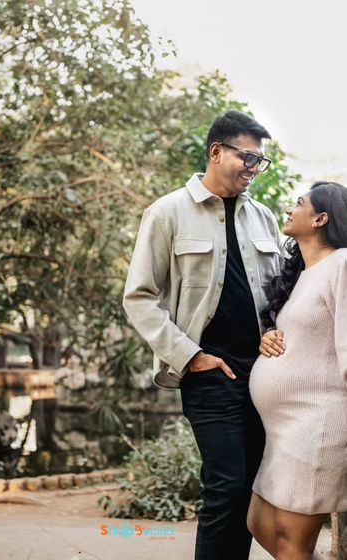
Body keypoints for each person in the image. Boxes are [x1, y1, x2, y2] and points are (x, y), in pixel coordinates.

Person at [123, 110, 283, 560]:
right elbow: (139, 297)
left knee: (249, 490)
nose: (254, 169)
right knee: (226, 487)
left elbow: (277, 296)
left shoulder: (265, 219)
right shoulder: (167, 212)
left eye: (260, 162)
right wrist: (191, 357)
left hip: (263, 375)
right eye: (248, 158)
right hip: (208, 371)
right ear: (217, 152)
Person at [248, 181, 347, 560]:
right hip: (283, 430)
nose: (290, 209)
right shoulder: (305, 273)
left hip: (318, 425)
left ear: (321, 218)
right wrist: (268, 340)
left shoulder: (341, 264)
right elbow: (305, 339)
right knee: (257, 522)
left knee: (293, 542)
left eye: (299, 203)